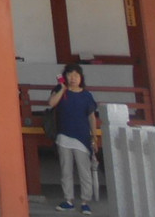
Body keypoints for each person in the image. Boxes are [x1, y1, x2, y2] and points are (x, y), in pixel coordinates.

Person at [48, 62, 98, 214]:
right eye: (70, 75)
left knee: (84, 171)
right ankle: (68, 199)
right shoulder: (60, 91)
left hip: (82, 137)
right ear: (65, 77)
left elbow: (91, 117)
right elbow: (51, 103)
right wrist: (62, 88)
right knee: (66, 170)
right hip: (64, 136)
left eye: (76, 75)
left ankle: (85, 201)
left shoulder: (86, 95)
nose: (73, 78)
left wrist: (94, 137)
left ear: (81, 77)